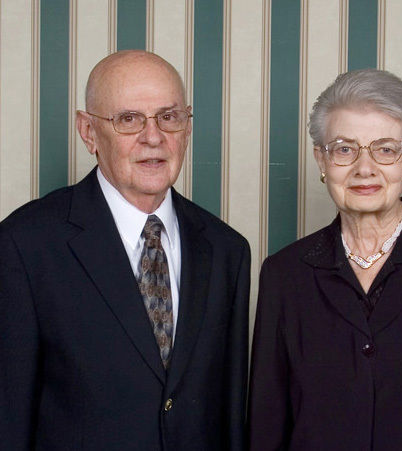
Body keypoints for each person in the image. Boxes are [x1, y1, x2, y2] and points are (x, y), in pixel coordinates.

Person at [0, 50, 250, 450]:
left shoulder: (226, 250)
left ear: (186, 126)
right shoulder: (25, 244)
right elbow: (8, 418)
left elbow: (229, 417)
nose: (153, 137)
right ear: (88, 132)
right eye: (128, 119)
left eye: (169, 117)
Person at [249, 68, 402, 450]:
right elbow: (268, 424)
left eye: (385, 149)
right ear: (321, 159)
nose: (364, 169)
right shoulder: (284, 274)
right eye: (345, 149)